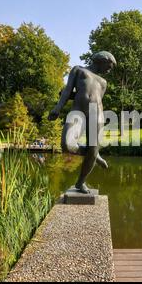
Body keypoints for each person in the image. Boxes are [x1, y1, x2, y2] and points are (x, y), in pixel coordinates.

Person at [48, 51, 116, 194]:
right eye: (109, 66)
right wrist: (58, 107)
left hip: (97, 115)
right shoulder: (79, 70)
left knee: (93, 147)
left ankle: (80, 182)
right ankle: (94, 154)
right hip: (77, 112)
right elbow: (68, 91)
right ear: (101, 60)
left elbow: (96, 98)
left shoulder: (103, 82)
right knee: (67, 145)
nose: (109, 71)